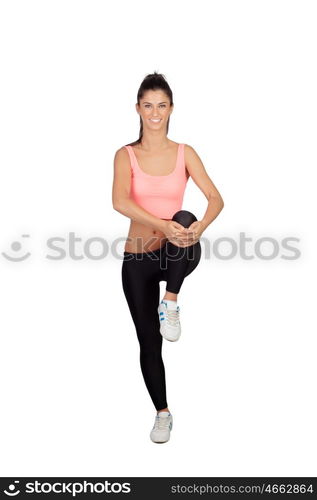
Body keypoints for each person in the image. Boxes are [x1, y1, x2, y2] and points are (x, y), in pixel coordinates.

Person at [112, 72, 224, 443]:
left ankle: (171, 302)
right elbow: (120, 202)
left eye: (161, 105)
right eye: (148, 105)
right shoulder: (125, 155)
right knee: (149, 342)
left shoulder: (184, 152)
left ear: (171, 108)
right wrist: (159, 222)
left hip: (178, 252)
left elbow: (215, 199)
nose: (155, 112)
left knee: (186, 218)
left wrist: (198, 229)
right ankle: (162, 413)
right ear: (138, 109)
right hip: (138, 259)